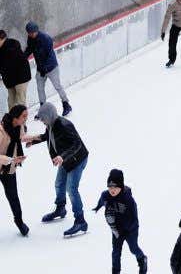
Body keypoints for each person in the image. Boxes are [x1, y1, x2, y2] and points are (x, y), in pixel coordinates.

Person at [28, 99, 89, 236]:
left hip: (77, 160)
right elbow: (46, 136)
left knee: (71, 189)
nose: (42, 121)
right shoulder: (51, 124)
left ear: (49, 116)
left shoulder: (64, 125)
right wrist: (32, 140)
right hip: (66, 159)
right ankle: (60, 209)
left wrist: (62, 156)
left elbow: (77, 144)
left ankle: (81, 221)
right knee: (59, 184)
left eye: (43, 119)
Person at [93, 168, 146, 273]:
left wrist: (126, 228)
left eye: (115, 187)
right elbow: (102, 199)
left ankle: (142, 259)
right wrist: (98, 207)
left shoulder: (128, 200)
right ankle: (115, 271)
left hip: (130, 229)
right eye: (110, 187)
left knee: (133, 248)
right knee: (116, 252)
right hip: (116, 228)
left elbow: (133, 217)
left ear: (121, 187)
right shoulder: (105, 195)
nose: (112, 190)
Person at [23, 22, 70, 115]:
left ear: (36, 31)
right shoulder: (30, 39)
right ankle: (43, 109)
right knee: (40, 88)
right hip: (41, 69)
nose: (30, 34)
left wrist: (45, 68)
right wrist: (23, 57)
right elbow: (30, 49)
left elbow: (49, 55)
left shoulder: (46, 38)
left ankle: (66, 104)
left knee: (57, 86)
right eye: (29, 33)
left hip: (52, 68)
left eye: (32, 32)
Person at [1, 103, 28, 236]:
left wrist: (41, 137)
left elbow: (22, 138)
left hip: (8, 169)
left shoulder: (19, 127)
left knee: (13, 196)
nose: (26, 119)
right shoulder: (1, 131)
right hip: (5, 163)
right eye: (23, 116)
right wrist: (11, 159)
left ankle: (19, 222)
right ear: (15, 117)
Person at [1, 29, 32, 109]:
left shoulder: (12, 45)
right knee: (11, 102)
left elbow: (11, 64)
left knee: (20, 101)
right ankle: (12, 121)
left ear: (1, 38)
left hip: (21, 77)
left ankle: (22, 121)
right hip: (10, 80)